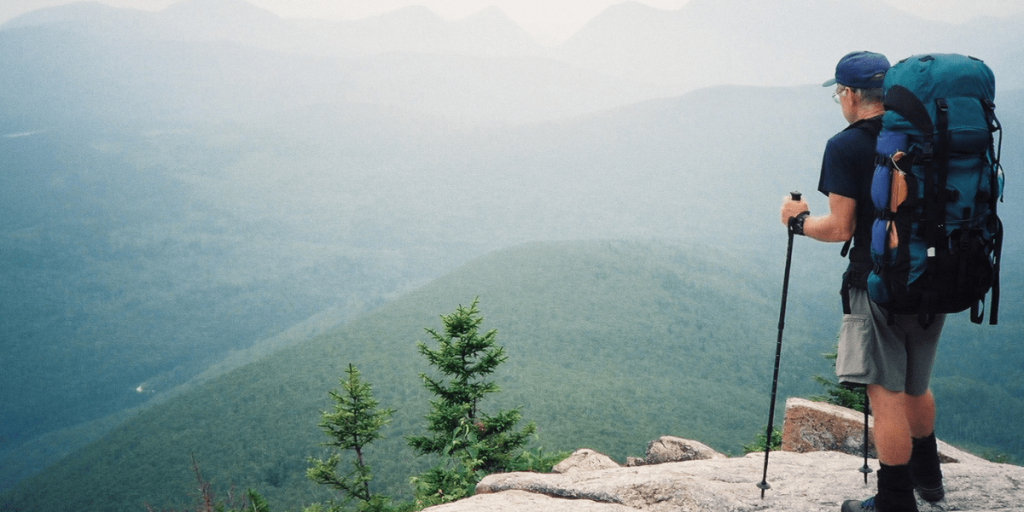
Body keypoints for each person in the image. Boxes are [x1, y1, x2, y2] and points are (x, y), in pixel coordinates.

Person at [779, 51, 946, 512]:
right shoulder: (926, 134)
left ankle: (894, 502)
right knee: (916, 383)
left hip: (877, 282)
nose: (840, 101)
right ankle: (929, 481)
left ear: (851, 95)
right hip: (935, 275)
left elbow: (840, 228)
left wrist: (797, 221)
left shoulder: (845, 145)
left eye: (838, 93)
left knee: (884, 390)